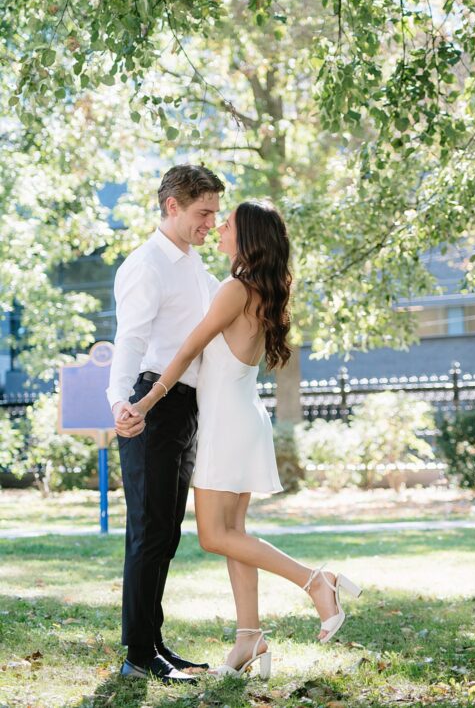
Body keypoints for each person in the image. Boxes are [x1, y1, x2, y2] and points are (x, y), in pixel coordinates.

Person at [122, 200, 362, 678]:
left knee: (215, 536)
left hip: (225, 424)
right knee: (233, 537)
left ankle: (317, 580)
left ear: (247, 237)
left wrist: (145, 402)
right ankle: (249, 639)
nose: (218, 228)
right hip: (244, 418)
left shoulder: (235, 288)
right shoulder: (256, 289)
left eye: (227, 223)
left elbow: (189, 347)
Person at [107, 164, 224, 684]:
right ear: (173, 206)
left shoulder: (194, 266)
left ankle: (152, 643)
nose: (211, 223)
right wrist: (121, 404)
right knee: (149, 531)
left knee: (166, 532)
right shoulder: (147, 264)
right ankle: (137, 654)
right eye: (203, 213)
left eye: (216, 213)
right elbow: (129, 340)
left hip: (184, 405)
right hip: (150, 403)